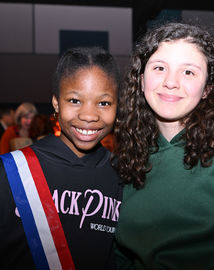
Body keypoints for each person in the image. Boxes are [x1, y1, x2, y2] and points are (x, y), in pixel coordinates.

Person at [113, 22, 214, 270]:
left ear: (208, 88)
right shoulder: (126, 160)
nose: (171, 82)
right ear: (141, 79)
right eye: (160, 68)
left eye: (188, 72)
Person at [0, 46, 122, 269]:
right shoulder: (11, 171)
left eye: (103, 103)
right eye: (75, 100)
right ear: (56, 103)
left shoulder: (122, 176)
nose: (88, 115)